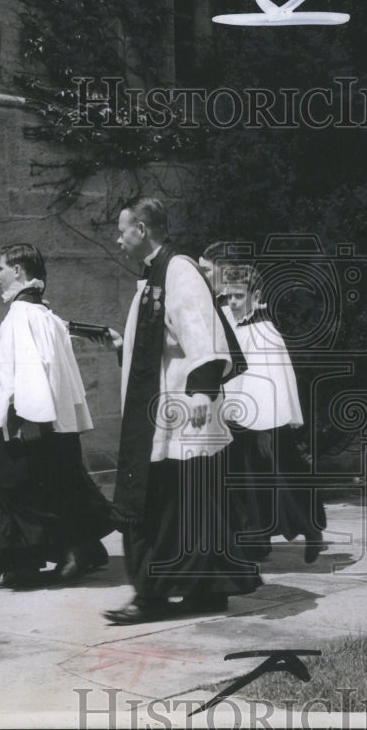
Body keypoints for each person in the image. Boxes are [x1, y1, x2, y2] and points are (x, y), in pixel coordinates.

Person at [102, 197, 261, 625]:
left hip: (182, 415)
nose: (117, 239)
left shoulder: (179, 271)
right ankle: (205, 590)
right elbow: (164, 343)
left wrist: (202, 392)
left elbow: (202, 334)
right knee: (188, 505)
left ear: (142, 229)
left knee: (165, 506)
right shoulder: (157, 274)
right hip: (168, 411)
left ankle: (151, 595)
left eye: (122, 230)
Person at [0, 244, 113, 588]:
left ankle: (45, 554)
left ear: (18, 271)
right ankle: (11, 559)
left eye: (1, 268)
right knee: (28, 491)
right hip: (49, 423)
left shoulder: (22, 317)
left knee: (16, 489)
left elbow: (29, 371)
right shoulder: (45, 316)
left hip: (24, 423)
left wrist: (27, 418)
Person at [222, 265, 326, 562]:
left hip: (264, 423)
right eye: (229, 296)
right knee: (251, 485)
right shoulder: (237, 326)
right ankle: (255, 542)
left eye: (238, 297)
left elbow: (269, 381)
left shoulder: (263, 331)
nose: (232, 303)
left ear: (255, 296)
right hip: (239, 419)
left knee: (280, 483)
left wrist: (264, 429)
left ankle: (310, 530)